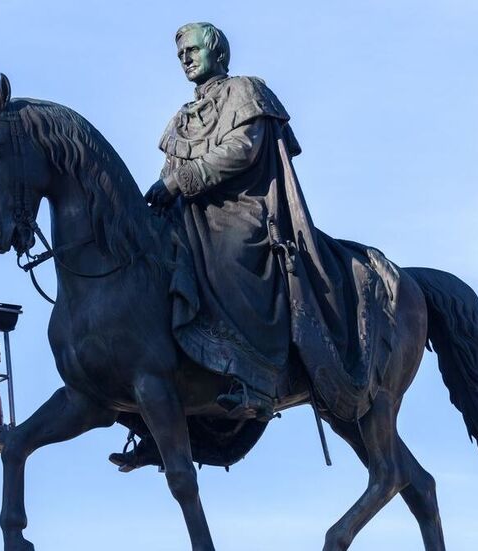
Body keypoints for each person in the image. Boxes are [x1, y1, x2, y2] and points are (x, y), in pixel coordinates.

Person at [144, 22, 308, 420]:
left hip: (240, 209)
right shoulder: (182, 118)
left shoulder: (245, 91)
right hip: (190, 214)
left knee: (227, 261)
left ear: (217, 53)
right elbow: (171, 165)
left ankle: (257, 380)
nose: (184, 58)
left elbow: (242, 149)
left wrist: (178, 181)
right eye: (180, 53)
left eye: (192, 50)